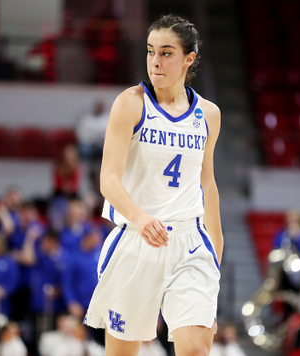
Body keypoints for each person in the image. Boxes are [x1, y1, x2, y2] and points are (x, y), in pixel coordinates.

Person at [84, 14, 223, 356]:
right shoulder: (131, 103)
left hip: (190, 242)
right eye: (150, 51)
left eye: (166, 52)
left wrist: (215, 256)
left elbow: (208, 185)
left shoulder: (208, 115)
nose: (155, 61)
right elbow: (108, 179)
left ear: (189, 58)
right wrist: (141, 217)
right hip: (137, 238)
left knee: (195, 350)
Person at [62, 227, 102, 320]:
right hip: (82, 304)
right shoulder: (74, 258)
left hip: (100, 303)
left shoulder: (100, 253)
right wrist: (72, 302)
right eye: (95, 237)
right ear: (87, 238)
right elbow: (67, 283)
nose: (98, 241)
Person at [272, 209, 300, 290]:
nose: (292, 224)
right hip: (284, 272)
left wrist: (298, 236)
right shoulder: (282, 234)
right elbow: (276, 249)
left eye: (294, 221)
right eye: (290, 222)